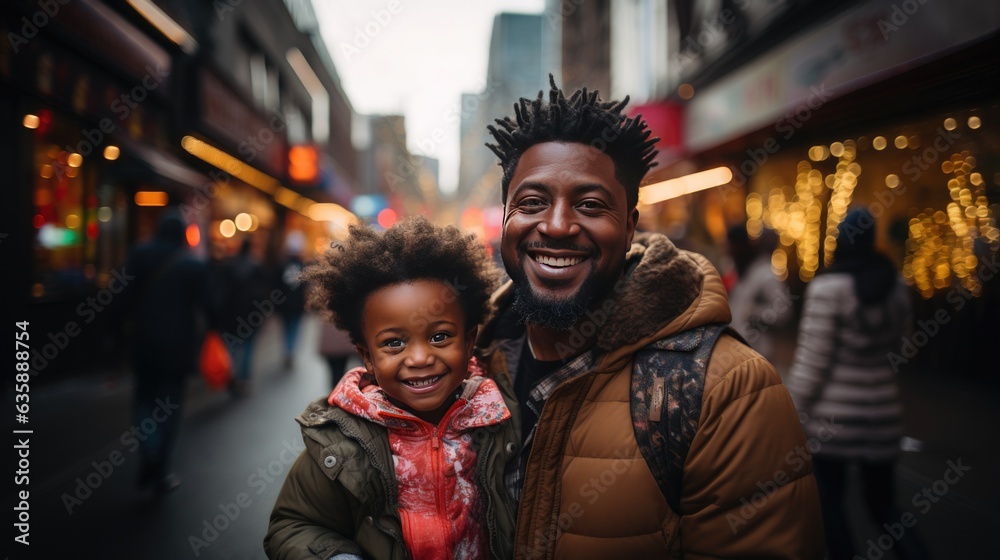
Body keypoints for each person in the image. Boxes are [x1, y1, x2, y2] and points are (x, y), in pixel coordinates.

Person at [478, 76, 824, 558]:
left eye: (590, 205)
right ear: (507, 217)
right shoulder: (464, 357)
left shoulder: (727, 391)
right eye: (532, 203)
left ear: (630, 227)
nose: (556, 225)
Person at [264, 217, 518, 560]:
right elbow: (294, 523)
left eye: (439, 336)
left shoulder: (502, 415)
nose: (419, 358)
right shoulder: (341, 442)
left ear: (470, 339)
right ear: (367, 357)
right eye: (394, 343)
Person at [787, 208, 929, 560]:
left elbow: (812, 363)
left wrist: (791, 409)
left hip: (832, 424)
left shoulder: (827, 288)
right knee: (884, 507)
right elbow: (905, 346)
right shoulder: (894, 283)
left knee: (829, 505)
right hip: (883, 416)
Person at [120, 209, 207, 493]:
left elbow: (121, 297)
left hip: (144, 342)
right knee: (171, 406)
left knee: (143, 400)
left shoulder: (138, 255)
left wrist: (112, 333)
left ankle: (150, 447)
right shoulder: (193, 266)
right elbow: (207, 307)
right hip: (178, 347)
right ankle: (161, 468)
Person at [726, 225, 793, 366]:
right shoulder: (742, 272)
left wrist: (754, 313)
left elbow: (784, 312)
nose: (730, 251)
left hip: (758, 355)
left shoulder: (767, 275)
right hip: (737, 353)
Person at [214, 237, 267, 396]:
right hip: (250, 314)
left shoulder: (229, 265)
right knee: (248, 347)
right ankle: (243, 378)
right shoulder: (256, 267)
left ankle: (232, 375)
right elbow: (261, 293)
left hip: (231, 314)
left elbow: (221, 292)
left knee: (231, 346)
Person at [275, 231, 308, 370]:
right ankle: (290, 350)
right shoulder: (302, 266)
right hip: (297, 305)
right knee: (294, 329)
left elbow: (275, 285)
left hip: (283, 305)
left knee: (286, 328)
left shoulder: (281, 265)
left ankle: (287, 350)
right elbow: (305, 287)